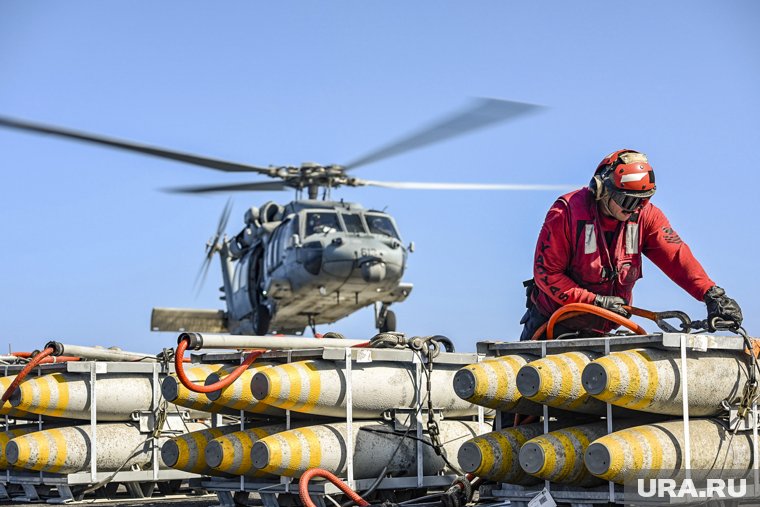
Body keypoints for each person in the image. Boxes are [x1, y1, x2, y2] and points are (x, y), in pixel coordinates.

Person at [520, 149, 743, 341]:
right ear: (601, 189)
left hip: (603, 331)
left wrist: (712, 294)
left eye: (643, 200)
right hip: (554, 327)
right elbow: (546, 273)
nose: (636, 208)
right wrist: (595, 301)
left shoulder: (646, 217)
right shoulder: (566, 213)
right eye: (628, 200)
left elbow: (677, 257)